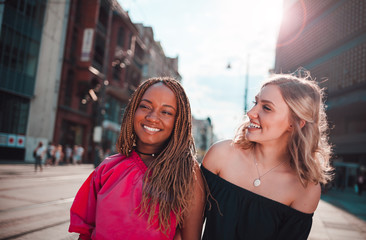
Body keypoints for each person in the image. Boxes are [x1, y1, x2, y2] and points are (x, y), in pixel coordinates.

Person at [69, 77, 206, 239]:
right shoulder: (107, 169)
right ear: (133, 110)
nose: (152, 117)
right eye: (145, 106)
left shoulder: (187, 173)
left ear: (179, 122)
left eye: (166, 112)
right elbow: (84, 233)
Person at [201, 72, 333, 240]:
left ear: (295, 123)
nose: (250, 112)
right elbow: (187, 227)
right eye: (255, 103)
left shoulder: (304, 189)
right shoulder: (221, 155)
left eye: (266, 107)